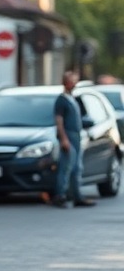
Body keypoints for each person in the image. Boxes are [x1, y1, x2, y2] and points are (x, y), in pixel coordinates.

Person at [52, 69, 96, 209]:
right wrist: (64, 139)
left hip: (76, 136)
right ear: (66, 82)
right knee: (66, 166)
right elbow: (59, 121)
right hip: (69, 136)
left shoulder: (73, 99)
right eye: (72, 80)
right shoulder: (61, 100)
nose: (74, 83)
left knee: (77, 168)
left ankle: (77, 195)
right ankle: (60, 195)